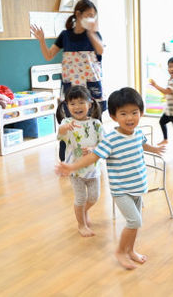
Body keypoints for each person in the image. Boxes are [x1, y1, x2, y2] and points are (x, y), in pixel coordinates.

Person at [56, 87, 165, 270]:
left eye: (134, 113)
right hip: (121, 189)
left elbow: (143, 144)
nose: (129, 118)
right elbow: (93, 157)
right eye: (123, 114)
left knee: (135, 222)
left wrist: (154, 149)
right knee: (134, 221)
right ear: (114, 117)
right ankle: (120, 252)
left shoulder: (137, 133)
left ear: (141, 113)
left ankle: (130, 250)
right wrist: (72, 166)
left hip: (137, 187)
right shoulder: (111, 139)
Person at [31, 0, 105, 161]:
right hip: (71, 86)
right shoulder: (65, 36)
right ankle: (65, 157)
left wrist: (91, 33)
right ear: (78, 15)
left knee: (95, 120)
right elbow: (49, 55)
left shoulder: (93, 35)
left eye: (94, 16)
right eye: (89, 15)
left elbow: (100, 50)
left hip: (91, 84)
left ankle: (96, 154)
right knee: (67, 120)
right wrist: (42, 41)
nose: (92, 19)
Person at [57, 86, 103, 237]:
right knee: (81, 198)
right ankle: (81, 224)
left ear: (89, 104)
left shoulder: (96, 124)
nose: (77, 107)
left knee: (94, 197)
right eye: (72, 103)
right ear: (67, 106)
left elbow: (103, 144)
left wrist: (93, 148)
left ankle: (83, 212)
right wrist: (64, 128)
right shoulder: (67, 122)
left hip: (93, 169)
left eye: (81, 102)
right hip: (75, 171)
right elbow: (60, 134)